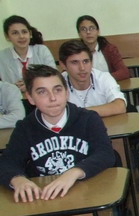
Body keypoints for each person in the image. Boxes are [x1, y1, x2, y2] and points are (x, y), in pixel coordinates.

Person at [0, 64, 115, 202]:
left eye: (58, 90)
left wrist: (74, 172)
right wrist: (17, 179)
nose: (53, 98)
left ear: (67, 93)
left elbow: (105, 154)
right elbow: (7, 162)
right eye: (42, 92)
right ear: (30, 98)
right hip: (46, 196)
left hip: (87, 191)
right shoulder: (25, 128)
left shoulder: (88, 119)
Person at [59, 40, 126, 118]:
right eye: (75, 62)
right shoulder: (57, 84)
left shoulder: (103, 78)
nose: (82, 68)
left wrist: (79, 113)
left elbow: (120, 106)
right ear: (63, 65)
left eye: (86, 61)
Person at [0, 15, 56, 95]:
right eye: (15, 33)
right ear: (7, 36)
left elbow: (54, 76)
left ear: (30, 33)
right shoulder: (2, 56)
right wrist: (12, 88)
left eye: (24, 32)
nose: (21, 36)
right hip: (15, 99)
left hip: (43, 95)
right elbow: (3, 86)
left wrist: (30, 84)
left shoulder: (41, 50)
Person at [76, 15, 131, 82]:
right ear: (79, 34)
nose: (88, 32)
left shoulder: (109, 49)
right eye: (83, 29)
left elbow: (124, 72)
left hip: (107, 85)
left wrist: (100, 79)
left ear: (98, 31)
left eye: (92, 28)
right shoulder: (75, 53)